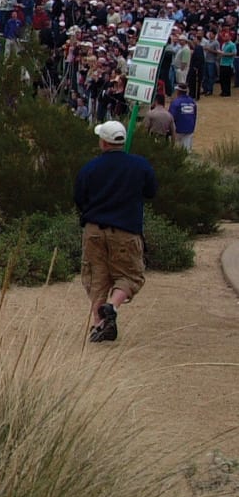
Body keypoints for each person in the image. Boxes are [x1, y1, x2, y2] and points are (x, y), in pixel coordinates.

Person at [73, 120, 156, 343]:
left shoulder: (90, 168)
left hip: (94, 230)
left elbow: (79, 198)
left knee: (96, 276)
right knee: (130, 275)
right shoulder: (140, 165)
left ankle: (99, 324)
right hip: (126, 229)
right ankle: (113, 306)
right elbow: (151, 191)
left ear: (103, 142)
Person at [170, 83, 198, 151]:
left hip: (178, 130)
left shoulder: (175, 102)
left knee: (175, 150)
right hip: (189, 129)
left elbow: (171, 117)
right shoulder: (192, 102)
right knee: (186, 151)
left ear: (178, 91)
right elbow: (194, 116)